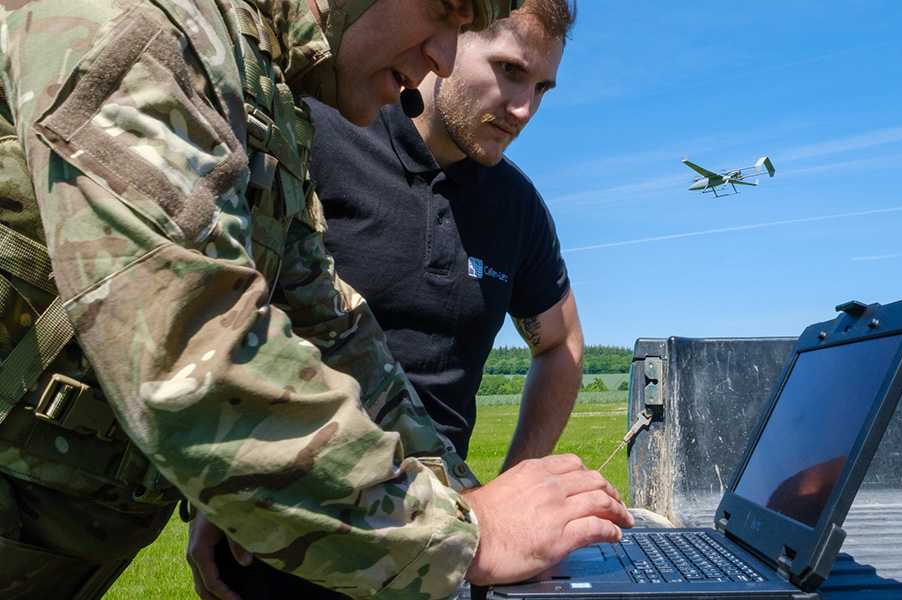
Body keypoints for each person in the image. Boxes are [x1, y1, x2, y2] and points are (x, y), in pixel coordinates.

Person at [0, 1, 631, 599]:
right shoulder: (155, 29)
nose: (440, 56)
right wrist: (466, 535)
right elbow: (193, 367)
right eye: (443, 11)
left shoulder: (268, 103)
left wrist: (482, 504)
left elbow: (333, 327)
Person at [311, 0, 580, 467]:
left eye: (542, 89)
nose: (524, 110)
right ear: (450, 40)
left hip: (449, 518)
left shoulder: (517, 207)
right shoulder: (323, 133)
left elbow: (561, 343)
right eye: (509, 70)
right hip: (300, 508)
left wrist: (513, 483)